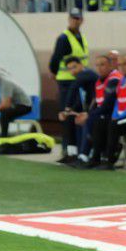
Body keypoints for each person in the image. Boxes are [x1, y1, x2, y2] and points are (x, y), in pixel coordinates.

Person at [49, 8, 89, 161]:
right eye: (73, 18)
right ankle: (67, 150)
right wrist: (55, 72)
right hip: (66, 81)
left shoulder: (81, 37)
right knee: (67, 114)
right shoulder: (64, 38)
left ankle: (75, 149)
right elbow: (55, 59)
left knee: (75, 114)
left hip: (78, 81)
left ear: (82, 20)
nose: (75, 21)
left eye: (78, 18)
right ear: (69, 19)